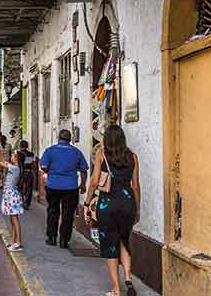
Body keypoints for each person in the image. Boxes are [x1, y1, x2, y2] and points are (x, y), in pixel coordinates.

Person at [86, 126, 141, 296]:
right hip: (127, 204)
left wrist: (87, 202)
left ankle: (116, 289)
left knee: (111, 246)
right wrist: (137, 209)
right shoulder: (132, 156)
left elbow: (94, 182)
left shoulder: (101, 154)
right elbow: (136, 186)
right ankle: (128, 279)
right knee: (123, 241)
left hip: (107, 205)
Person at [39, 129, 90, 248]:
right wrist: (83, 184)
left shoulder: (50, 151)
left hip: (53, 186)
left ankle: (51, 237)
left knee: (53, 211)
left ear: (58, 138)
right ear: (70, 139)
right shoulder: (76, 152)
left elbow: (43, 166)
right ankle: (64, 240)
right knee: (68, 213)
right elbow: (83, 170)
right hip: (71, 187)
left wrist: (52, 171)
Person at [0, 145, 25, 252]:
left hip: (11, 195)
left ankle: (18, 242)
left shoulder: (14, 168)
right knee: (12, 219)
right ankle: (14, 241)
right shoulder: (14, 167)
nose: (11, 156)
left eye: (13, 155)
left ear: (17, 159)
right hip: (10, 194)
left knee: (14, 219)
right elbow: (2, 161)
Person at [17, 140, 37, 210]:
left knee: (19, 187)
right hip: (29, 172)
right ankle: (26, 203)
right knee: (29, 188)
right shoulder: (31, 154)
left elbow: (16, 163)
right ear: (27, 146)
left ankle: (20, 201)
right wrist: (34, 172)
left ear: (20, 146)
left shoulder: (18, 153)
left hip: (20, 172)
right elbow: (33, 164)